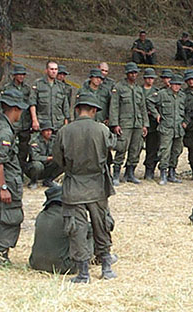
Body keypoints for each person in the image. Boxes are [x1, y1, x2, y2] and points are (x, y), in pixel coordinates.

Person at [53, 92, 118, 283]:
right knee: (101, 225)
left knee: (76, 229)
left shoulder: (65, 131)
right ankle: (106, 267)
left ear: (77, 109)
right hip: (97, 185)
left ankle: (83, 273)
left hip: (74, 185)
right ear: (94, 110)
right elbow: (109, 153)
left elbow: (58, 159)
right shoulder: (102, 130)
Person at [0, 89, 28, 264]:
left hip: (3, 181)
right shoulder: (4, 132)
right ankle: (0, 256)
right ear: (15, 109)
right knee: (11, 218)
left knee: (2, 217)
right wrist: (3, 187)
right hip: (7, 182)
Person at [109, 62, 149, 185]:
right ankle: (116, 174)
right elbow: (114, 106)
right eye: (131, 72)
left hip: (137, 123)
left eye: (135, 72)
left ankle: (130, 172)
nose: (133, 75)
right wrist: (115, 124)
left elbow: (143, 107)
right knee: (121, 148)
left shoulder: (138, 89)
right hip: (124, 123)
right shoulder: (119, 87)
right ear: (127, 73)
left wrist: (145, 124)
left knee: (136, 149)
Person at [149, 74, 187, 185]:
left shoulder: (182, 96)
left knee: (177, 150)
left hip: (178, 128)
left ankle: (172, 172)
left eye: (179, 85)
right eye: (175, 84)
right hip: (166, 127)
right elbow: (149, 101)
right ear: (170, 84)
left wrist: (186, 122)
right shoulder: (162, 94)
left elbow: (189, 109)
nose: (176, 87)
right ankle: (163, 174)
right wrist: (156, 114)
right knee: (164, 151)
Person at [1, 65, 33, 173]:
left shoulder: (27, 88)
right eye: (19, 74)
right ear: (14, 75)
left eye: (23, 74)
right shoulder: (7, 88)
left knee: (24, 149)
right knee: (11, 148)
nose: (21, 77)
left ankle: (21, 171)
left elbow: (30, 104)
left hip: (25, 123)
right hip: (13, 124)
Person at [30, 61, 70, 132]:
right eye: (51, 69)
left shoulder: (61, 86)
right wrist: (34, 120)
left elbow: (65, 106)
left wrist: (66, 123)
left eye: (55, 69)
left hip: (58, 124)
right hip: (42, 123)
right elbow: (32, 103)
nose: (54, 71)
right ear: (46, 70)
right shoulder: (38, 84)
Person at [28, 121, 63, 188]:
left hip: (49, 165)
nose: (49, 132)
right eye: (47, 130)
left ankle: (49, 180)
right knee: (37, 165)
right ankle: (33, 181)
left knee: (63, 162)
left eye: (50, 130)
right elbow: (34, 156)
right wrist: (49, 158)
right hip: (37, 166)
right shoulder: (35, 141)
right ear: (42, 131)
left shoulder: (54, 140)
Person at [141, 68, 161, 180]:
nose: (150, 80)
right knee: (136, 147)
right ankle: (130, 169)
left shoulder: (156, 91)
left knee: (152, 148)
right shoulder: (139, 90)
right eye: (148, 78)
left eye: (152, 78)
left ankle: (149, 170)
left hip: (152, 123)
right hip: (139, 121)